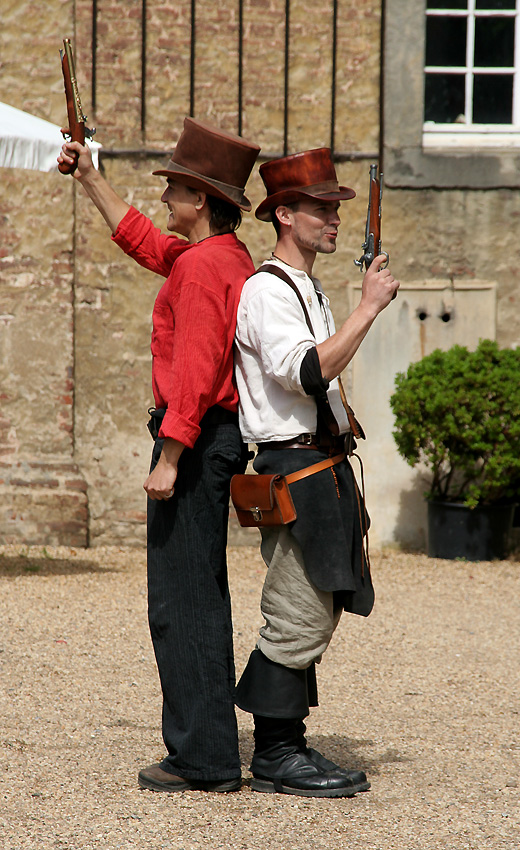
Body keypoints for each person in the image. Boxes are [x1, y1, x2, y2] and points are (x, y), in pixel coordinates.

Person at [58, 118, 260, 793]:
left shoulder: (203, 271)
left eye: (174, 187)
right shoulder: (223, 255)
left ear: (200, 199)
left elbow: (196, 373)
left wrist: (170, 456)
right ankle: (205, 748)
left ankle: (203, 760)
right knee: (195, 594)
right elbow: (147, 242)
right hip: (212, 437)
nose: (167, 197)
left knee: (184, 602)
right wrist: (91, 178)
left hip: (197, 442)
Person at [233, 147, 400, 798]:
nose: (333, 219)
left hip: (321, 464)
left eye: (335, 207)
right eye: (320, 208)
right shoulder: (265, 290)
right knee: (297, 611)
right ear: (283, 214)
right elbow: (304, 372)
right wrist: (368, 308)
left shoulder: (308, 287)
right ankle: (276, 752)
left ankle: (288, 743)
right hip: (293, 468)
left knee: (319, 603)